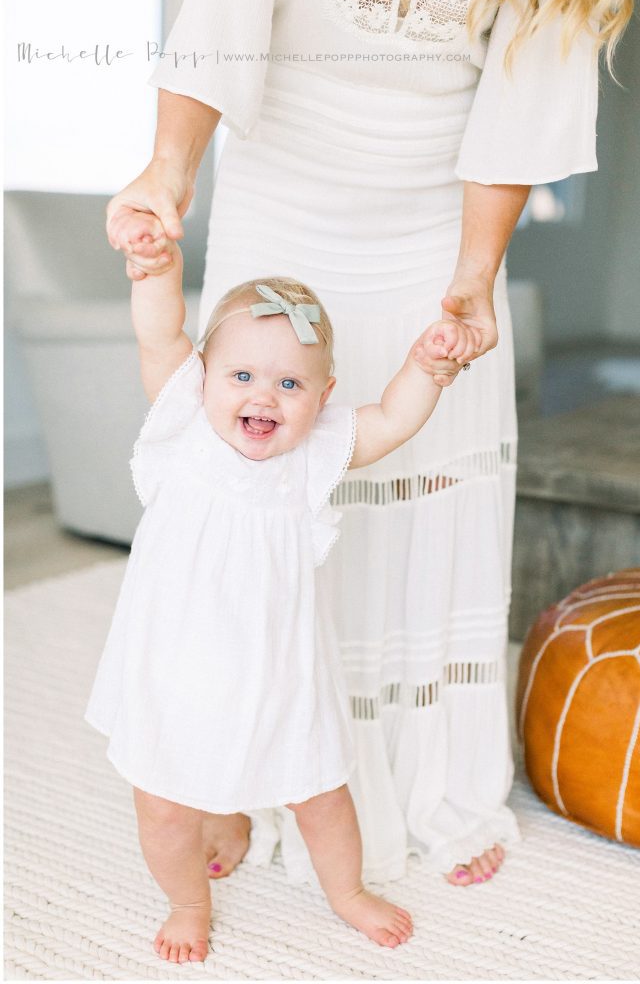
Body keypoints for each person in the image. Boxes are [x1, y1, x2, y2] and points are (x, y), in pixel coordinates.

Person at [106, 0, 640, 890]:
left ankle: (426, 777)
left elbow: (518, 112)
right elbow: (219, 27)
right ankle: (244, 777)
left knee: (421, 467)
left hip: (438, 224)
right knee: (261, 481)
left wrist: (473, 277)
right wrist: (167, 170)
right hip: (279, 194)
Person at [85, 211, 472, 961]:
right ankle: (188, 901)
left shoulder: (312, 455)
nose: (264, 397)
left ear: (321, 396)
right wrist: (156, 268)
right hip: (172, 672)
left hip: (278, 672)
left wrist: (427, 366)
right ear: (204, 378)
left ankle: (347, 892)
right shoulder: (185, 429)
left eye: (289, 383)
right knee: (167, 805)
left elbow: (391, 421)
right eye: (241, 376)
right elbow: (160, 337)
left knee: (320, 794)